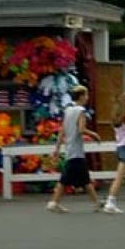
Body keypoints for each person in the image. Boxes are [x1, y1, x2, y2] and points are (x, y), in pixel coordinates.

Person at [46, 85, 103, 213]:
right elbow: (82, 129)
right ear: (81, 96)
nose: (87, 98)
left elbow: (62, 131)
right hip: (76, 151)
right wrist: (94, 135)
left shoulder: (68, 110)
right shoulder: (81, 111)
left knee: (78, 179)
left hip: (70, 149)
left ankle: (95, 202)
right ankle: (54, 202)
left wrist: (57, 147)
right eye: (86, 95)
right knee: (76, 179)